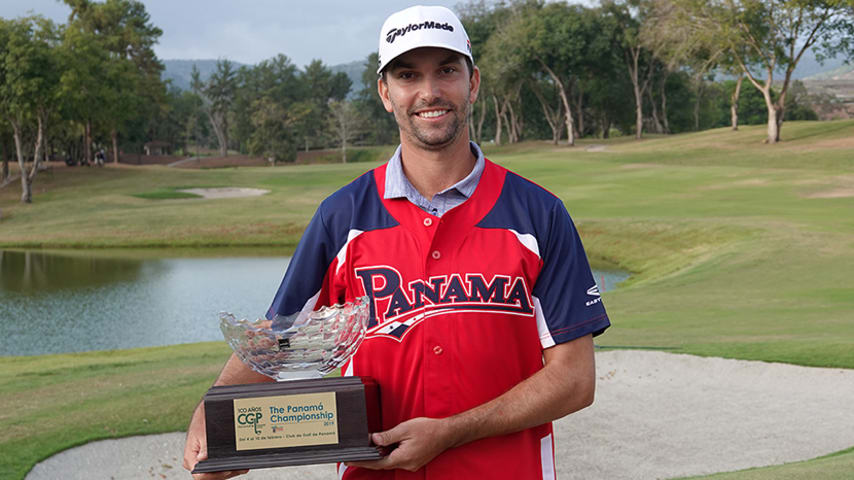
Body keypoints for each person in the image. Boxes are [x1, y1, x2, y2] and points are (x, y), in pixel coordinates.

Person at [183, 5, 610, 480]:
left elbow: (574, 380)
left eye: (446, 71)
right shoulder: (343, 217)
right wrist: (214, 413)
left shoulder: (538, 214)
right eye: (408, 75)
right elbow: (279, 337)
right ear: (386, 93)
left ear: (473, 83)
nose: (429, 92)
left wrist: (451, 431)